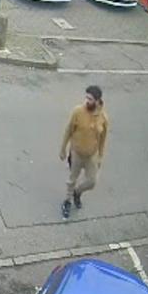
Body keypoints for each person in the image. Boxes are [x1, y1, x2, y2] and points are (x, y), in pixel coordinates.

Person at [58, 85, 109, 219]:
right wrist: (63, 148)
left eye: (90, 99)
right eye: (86, 97)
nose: (87, 101)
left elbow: (103, 139)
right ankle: (67, 201)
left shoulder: (103, 118)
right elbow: (68, 130)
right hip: (77, 153)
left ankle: (77, 192)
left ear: (98, 101)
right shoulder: (78, 112)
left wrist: (100, 157)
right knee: (72, 179)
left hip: (92, 155)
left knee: (92, 182)